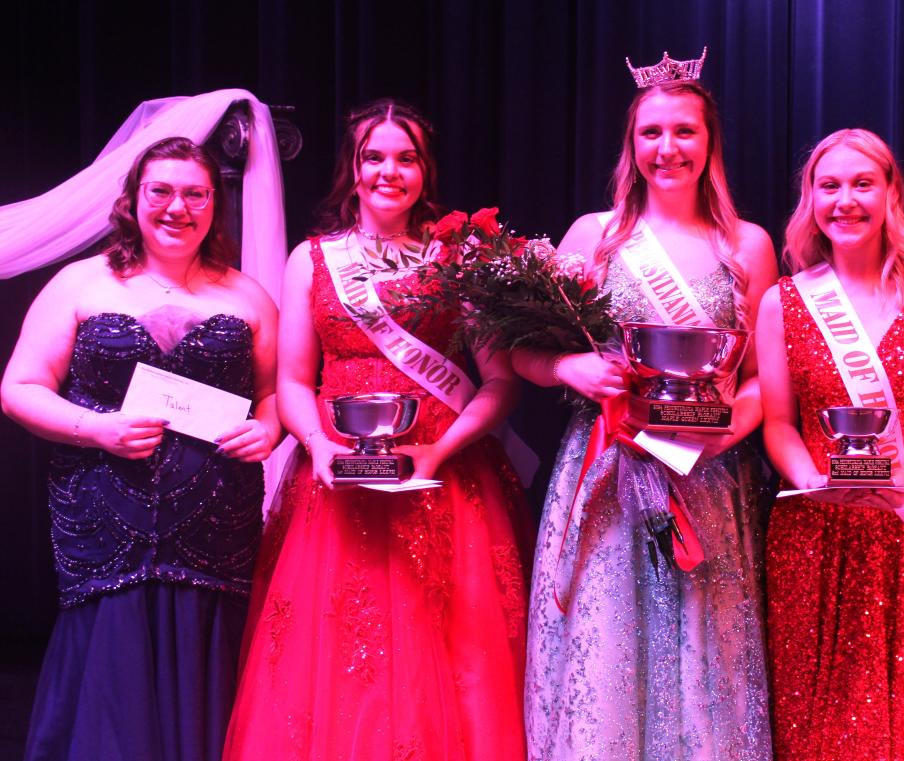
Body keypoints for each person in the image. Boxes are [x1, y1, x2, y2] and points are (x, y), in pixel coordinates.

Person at [223, 98, 529, 760]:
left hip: (443, 475)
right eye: (374, 156)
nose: (390, 170)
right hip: (335, 472)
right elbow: (296, 382)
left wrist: (439, 449)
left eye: (406, 157)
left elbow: (501, 381)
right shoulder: (313, 260)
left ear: (425, 171)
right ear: (352, 170)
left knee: (446, 647)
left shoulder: (460, 260)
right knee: (336, 648)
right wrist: (321, 446)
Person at [516, 53, 777, 760]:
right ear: (632, 146)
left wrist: (730, 432)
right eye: (652, 134)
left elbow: (762, 378)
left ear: (709, 141)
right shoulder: (593, 236)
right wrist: (569, 364)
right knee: (609, 640)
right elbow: (520, 354)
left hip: (707, 473)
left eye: (685, 132)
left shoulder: (746, 245)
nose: (669, 149)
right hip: (606, 468)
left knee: (701, 636)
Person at [1, 136, 280, 761]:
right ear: (133, 200)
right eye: (161, 191)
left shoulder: (248, 295)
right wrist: (95, 428)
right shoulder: (80, 283)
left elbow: (275, 395)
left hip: (214, 522)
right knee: (111, 664)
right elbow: (18, 389)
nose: (177, 207)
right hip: (107, 513)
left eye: (195, 194)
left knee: (210, 659)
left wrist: (268, 430)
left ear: (214, 205)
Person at [755, 128, 904, 759]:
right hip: (815, 525)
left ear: (890, 193)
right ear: (810, 199)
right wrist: (812, 482)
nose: (844, 200)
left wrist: (903, 477)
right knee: (816, 716)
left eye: (861, 184)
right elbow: (778, 423)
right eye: (829, 186)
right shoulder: (782, 302)